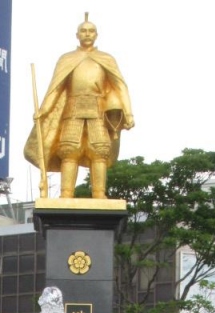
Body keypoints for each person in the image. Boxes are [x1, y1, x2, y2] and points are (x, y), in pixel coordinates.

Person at [25, 15, 134, 200]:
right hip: (73, 110)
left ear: (97, 34)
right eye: (83, 31)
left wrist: (128, 113)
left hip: (98, 111)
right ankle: (66, 194)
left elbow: (120, 85)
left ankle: (99, 194)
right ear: (77, 35)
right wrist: (44, 110)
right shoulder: (67, 59)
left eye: (91, 31)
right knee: (69, 150)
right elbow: (56, 87)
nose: (87, 34)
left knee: (99, 152)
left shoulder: (106, 59)